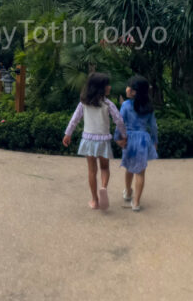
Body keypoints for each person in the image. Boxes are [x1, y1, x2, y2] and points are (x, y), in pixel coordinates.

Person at [63, 72, 126, 210]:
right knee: (104, 167)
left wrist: (68, 134)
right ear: (101, 88)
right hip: (103, 140)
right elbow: (119, 120)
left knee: (92, 171)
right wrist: (124, 134)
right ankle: (103, 187)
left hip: (88, 140)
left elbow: (75, 119)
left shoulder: (84, 103)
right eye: (107, 85)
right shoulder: (108, 104)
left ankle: (94, 200)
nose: (109, 87)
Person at [115, 76, 158, 212]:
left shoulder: (126, 105)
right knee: (140, 172)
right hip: (144, 140)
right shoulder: (149, 107)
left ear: (134, 92)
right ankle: (136, 203)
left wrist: (118, 138)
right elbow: (153, 126)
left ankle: (128, 192)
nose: (127, 88)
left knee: (129, 168)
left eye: (129, 87)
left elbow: (120, 123)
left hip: (129, 139)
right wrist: (155, 141)